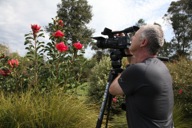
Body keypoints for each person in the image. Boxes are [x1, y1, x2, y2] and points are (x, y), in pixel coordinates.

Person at [109, 24, 174, 128]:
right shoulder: (159, 66)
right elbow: (135, 68)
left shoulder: (139, 71)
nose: (131, 38)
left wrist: (119, 70)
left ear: (143, 42)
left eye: (134, 35)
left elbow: (113, 89)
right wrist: (128, 52)